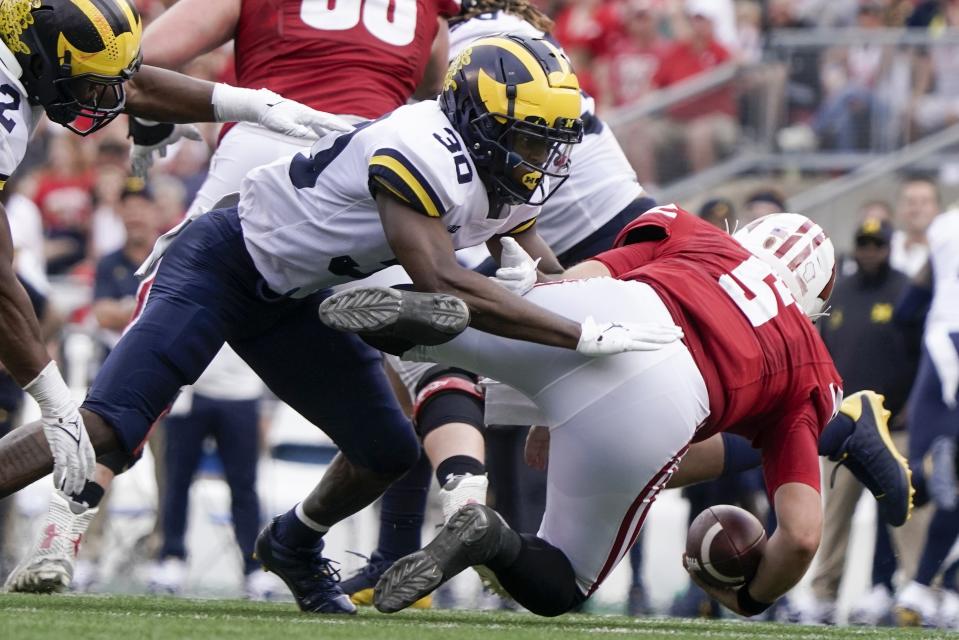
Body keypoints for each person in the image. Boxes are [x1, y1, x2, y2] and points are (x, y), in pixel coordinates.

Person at [0, 34, 674, 613]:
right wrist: (571, 333)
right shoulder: (421, 145)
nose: (536, 157)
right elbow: (439, 276)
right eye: (526, 137)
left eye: (545, 141)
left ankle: (292, 543)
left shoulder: (499, 175)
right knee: (104, 425)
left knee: (386, 451)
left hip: (296, 299)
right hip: (223, 262)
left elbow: (536, 261)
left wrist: (574, 302)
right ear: (479, 119)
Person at [335, 206, 912, 618]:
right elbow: (804, 536)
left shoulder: (696, 231)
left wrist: (544, 363)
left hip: (610, 318)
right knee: (562, 580)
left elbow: (585, 277)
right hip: (664, 404)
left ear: (749, 236)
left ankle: (430, 321)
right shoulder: (809, 365)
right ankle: (492, 540)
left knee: (492, 327)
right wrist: (751, 598)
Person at [0, 0, 358, 594]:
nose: (101, 97)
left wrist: (252, 104)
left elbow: (132, 84)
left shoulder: (28, 51)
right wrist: (56, 399)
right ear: (38, 59)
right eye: (87, 82)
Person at [337, 0, 656, 608]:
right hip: (603, 228)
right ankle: (445, 548)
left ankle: (440, 545)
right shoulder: (518, 44)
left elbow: (425, 128)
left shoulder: (460, 49)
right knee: (438, 367)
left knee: (428, 355)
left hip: (566, 238)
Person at [800, 217, 917, 625]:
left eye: (877, 244)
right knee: (834, 517)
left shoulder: (905, 290)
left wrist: (914, 404)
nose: (870, 251)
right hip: (845, 427)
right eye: (864, 244)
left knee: (905, 512)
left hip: (895, 425)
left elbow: (921, 353)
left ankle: (917, 591)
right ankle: (823, 594)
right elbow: (821, 351)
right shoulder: (841, 292)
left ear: (888, 247)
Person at [893, 205, 959, 627]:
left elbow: (907, 307)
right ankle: (941, 585)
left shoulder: (947, 224)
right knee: (945, 478)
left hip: (941, 345)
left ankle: (928, 585)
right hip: (948, 344)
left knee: (937, 477)